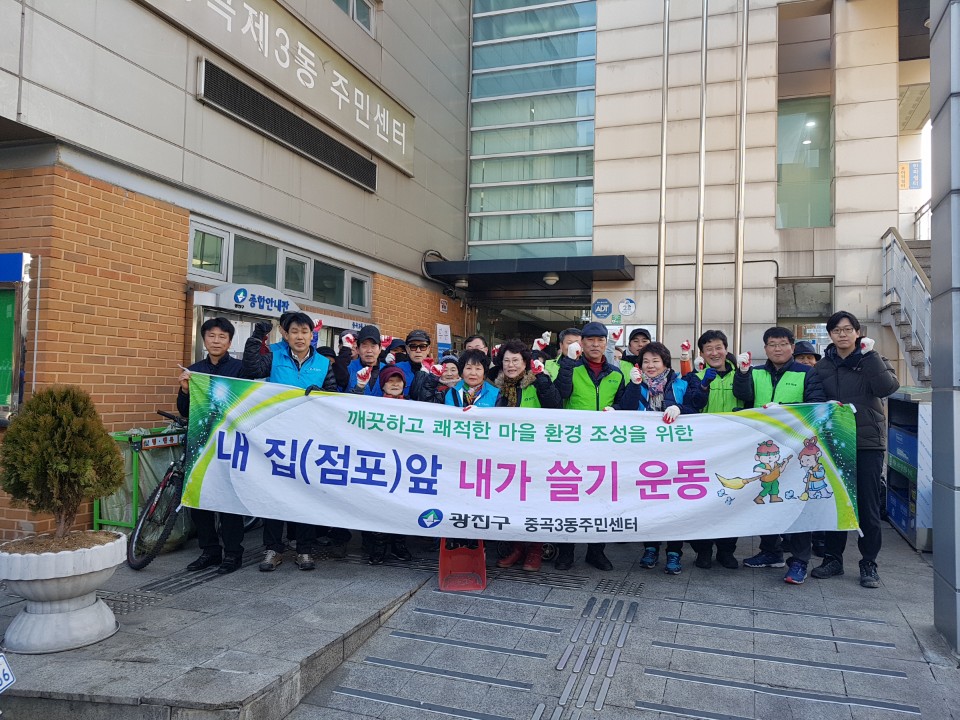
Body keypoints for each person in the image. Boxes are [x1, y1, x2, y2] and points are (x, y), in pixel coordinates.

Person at [243, 313, 339, 572]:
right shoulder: (274, 355)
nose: (299, 336)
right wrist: (256, 337)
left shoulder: (322, 363)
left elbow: (334, 396)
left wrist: (324, 394)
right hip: (277, 436)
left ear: (312, 335)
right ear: (285, 334)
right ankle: (273, 549)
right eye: (294, 331)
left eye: (304, 331)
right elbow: (251, 370)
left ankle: (304, 549)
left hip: (309, 439)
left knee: (305, 493)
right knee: (274, 493)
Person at [810, 311, 899, 588]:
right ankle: (833, 558)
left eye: (848, 329)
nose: (843, 334)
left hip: (867, 442)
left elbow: (887, 388)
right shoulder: (822, 366)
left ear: (857, 332)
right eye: (837, 330)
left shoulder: (873, 358)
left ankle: (868, 563)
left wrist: (869, 357)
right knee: (835, 502)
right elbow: (814, 399)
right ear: (830, 335)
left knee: (867, 505)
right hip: (835, 442)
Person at [733, 326, 825, 585]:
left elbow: (815, 404)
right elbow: (742, 396)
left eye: (782, 344)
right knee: (766, 497)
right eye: (772, 344)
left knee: (795, 501)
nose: (777, 349)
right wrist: (742, 373)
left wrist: (783, 410)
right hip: (763, 448)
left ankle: (799, 560)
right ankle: (771, 550)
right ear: (765, 349)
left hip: (795, 449)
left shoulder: (807, 372)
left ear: (792, 347)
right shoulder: (756, 372)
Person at [554, 321, 625, 571]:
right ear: (581, 344)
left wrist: (615, 409)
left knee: (601, 499)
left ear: (606, 343)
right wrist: (567, 364)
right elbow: (560, 395)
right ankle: (566, 552)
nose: (595, 345)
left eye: (600, 340)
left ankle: (596, 552)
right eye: (590, 340)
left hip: (603, 447)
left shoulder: (616, 374)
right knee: (569, 498)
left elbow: (623, 404)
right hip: (572, 444)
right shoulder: (570, 367)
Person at [616, 342, 692, 575]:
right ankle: (650, 548)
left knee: (675, 504)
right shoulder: (636, 383)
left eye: (655, 361)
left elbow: (697, 407)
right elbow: (626, 408)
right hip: (645, 455)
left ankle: (674, 552)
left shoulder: (681, 384)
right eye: (646, 361)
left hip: (676, 455)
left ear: (665, 363)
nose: (650, 366)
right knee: (649, 502)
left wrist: (680, 409)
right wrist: (633, 386)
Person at [177, 317, 246, 575]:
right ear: (204, 339)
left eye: (222, 337)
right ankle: (209, 551)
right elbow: (184, 411)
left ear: (230, 341)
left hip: (230, 444)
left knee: (229, 500)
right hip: (201, 442)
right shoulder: (195, 371)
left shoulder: (240, 370)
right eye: (211, 336)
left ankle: (233, 553)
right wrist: (185, 390)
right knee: (200, 498)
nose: (216, 341)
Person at [493, 340, 562, 573]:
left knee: (535, 503)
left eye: (516, 360)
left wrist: (541, 378)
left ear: (526, 363)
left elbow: (555, 406)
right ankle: (517, 548)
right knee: (512, 503)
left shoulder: (537, 383)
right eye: (506, 360)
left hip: (536, 456)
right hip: (507, 456)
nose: (511, 365)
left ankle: (535, 549)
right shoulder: (498, 388)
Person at [683, 329, 742, 570]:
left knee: (732, 500)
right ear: (702, 353)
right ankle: (703, 550)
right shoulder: (694, 377)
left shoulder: (742, 374)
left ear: (726, 349)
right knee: (701, 502)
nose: (714, 353)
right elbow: (690, 406)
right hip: (703, 449)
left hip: (736, 448)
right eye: (709, 349)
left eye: (718, 348)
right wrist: (704, 385)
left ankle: (726, 550)